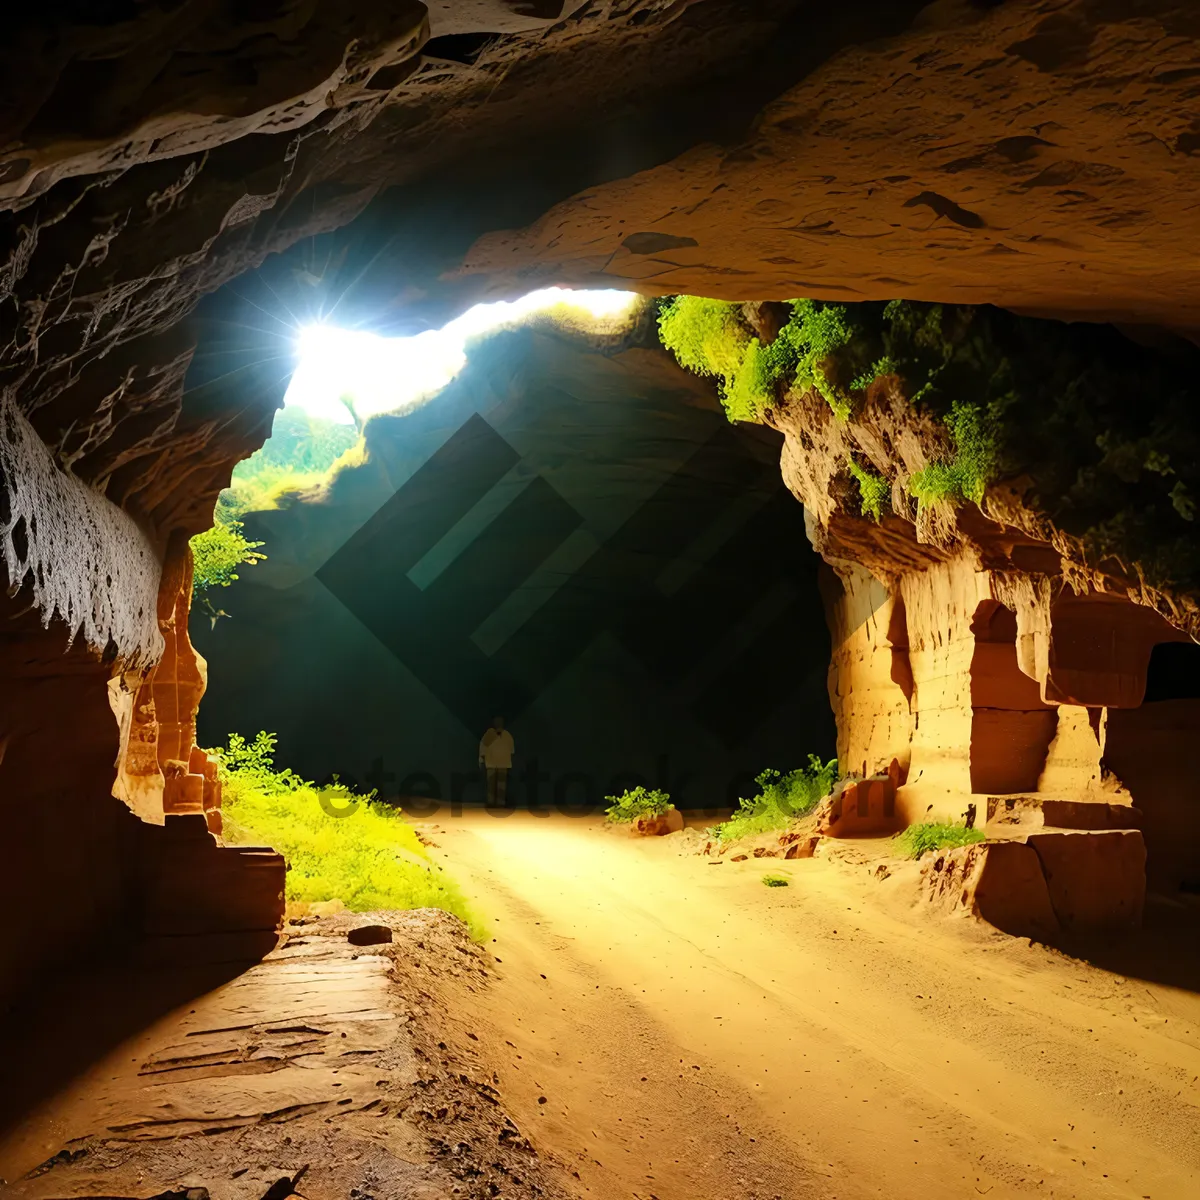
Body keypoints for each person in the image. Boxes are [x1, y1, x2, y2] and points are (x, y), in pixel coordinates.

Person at [478, 716, 515, 807]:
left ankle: (500, 803)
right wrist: (482, 760)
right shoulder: (489, 734)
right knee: (491, 785)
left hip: (503, 764)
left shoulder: (507, 735)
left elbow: (511, 750)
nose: (499, 723)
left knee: (501, 785)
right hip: (491, 763)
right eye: (497, 722)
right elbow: (483, 748)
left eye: (500, 722)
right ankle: (491, 803)